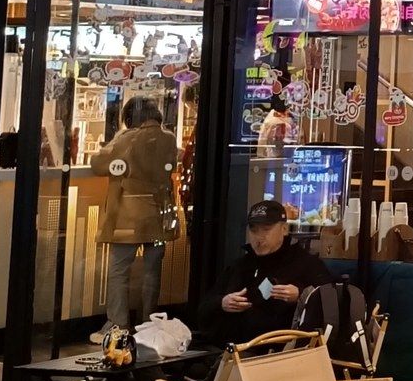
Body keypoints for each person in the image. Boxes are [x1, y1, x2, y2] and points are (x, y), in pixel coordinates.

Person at [90, 96, 181, 333]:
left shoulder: (127, 138)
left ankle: (118, 324)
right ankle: (148, 323)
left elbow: (98, 165)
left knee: (119, 270)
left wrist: (115, 140)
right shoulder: (169, 138)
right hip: (159, 213)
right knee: (152, 272)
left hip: (128, 216)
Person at [197, 200, 328, 344]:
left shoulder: (305, 263)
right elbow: (204, 308)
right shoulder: (240, 266)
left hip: (283, 351)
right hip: (233, 348)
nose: (259, 237)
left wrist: (301, 295)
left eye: (266, 229)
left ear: (284, 229)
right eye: (254, 230)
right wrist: (222, 303)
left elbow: (329, 305)